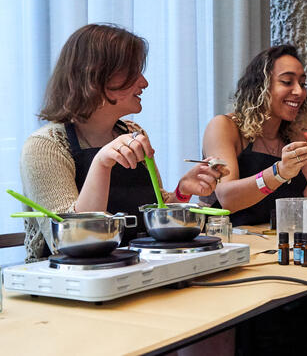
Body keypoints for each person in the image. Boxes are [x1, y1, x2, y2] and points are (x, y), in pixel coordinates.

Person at [20, 24, 225, 262]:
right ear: (95, 75)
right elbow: (72, 242)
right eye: (133, 71)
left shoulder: (133, 133)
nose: (144, 82)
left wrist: (182, 191)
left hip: (134, 269)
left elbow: (152, 210)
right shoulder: (45, 146)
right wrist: (102, 163)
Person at [202, 43, 307, 225]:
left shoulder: (293, 135)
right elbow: (227, 198)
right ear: (260, 87)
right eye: (287, 82)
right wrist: (279, 172)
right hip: (232, 244)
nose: (299, 91)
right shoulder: (225, 126)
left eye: (302, 84)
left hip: (274, 245)